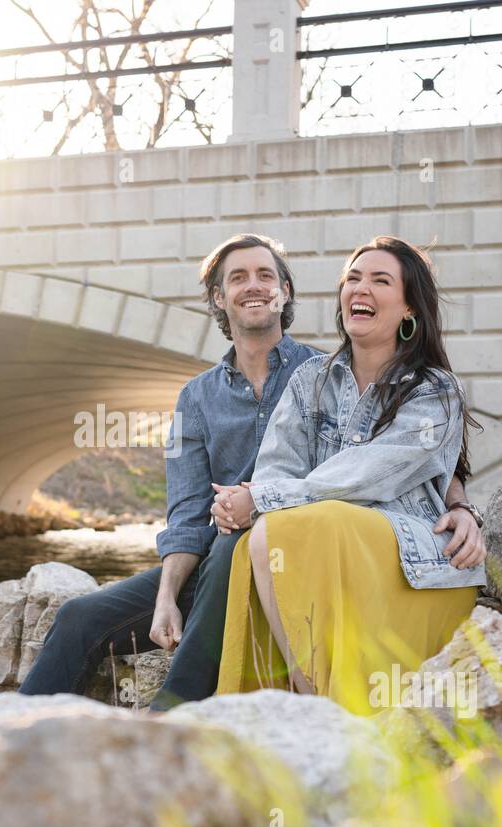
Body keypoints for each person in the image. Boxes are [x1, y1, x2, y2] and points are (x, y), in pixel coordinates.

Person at [19, 234, 484, 712]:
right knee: (80, 615)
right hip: (221, 561)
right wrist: (166, 595)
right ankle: (3, 739)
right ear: (220, 298)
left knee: (236, 540)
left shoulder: (320, 368)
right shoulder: (199, 399)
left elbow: (400, 458)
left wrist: (459, 504)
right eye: (237, 278)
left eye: (266, 275)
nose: (253, 286)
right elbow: (186, 516)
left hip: (284, 548)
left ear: (285, 291)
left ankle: (173, 711)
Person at [209, 236, 487, 714]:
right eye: (353, 279)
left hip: (411, 559)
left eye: (381, 280)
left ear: (408, 309)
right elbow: (276, 467)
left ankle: (313, 706)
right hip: (325, 546)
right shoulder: (309, 380)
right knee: (268, 536)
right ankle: (309, 693)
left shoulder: (435, 390)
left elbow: (372, 474)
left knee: (295, 523)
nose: (362, 288)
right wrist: (261, 496)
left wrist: (263, 497)